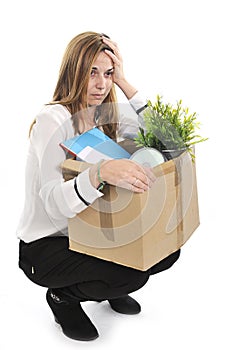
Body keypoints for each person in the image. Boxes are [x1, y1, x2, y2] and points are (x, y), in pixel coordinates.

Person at [17, 31, 180, 342]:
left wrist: (126, 83)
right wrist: (100, 173)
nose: (101, 84)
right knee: (131, 274)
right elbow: (53, 203)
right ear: (73, 70)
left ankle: (107, 279)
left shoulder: (104, 116)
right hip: (48, 244)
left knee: (167, 249)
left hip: (92, 232)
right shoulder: (52, 120)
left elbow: (169, 139)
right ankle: (63, 297)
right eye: (92, 72)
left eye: (108, 74)